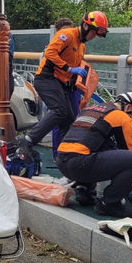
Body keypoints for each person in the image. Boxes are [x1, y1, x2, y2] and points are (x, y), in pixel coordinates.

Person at [13, 11, 109, 162]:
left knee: (69, 119)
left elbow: (78, 65)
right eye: (93, 33)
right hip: (46, 78)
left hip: (61, 83)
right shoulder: (67, 34)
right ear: (85, 25)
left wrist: (82, 80)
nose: (93, 37)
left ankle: (64, 157)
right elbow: (50, 53)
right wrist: (69, 69)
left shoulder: (81, 46)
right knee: (59, 110)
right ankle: (28, 139)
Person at [55, 92, 132, 218]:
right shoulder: (121, 116)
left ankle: (83, 189)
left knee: (102, 145)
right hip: (81, 163)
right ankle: (109, 203)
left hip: (62, 161)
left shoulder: (90, 109)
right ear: (129, 107)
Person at [50, 17, 82, 159]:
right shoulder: (55, 47)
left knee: (74, 119)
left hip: (73, 87)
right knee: (59, 119)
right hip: (58, 85)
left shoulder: (79, 45)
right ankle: (57, 154)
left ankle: (70, 151)